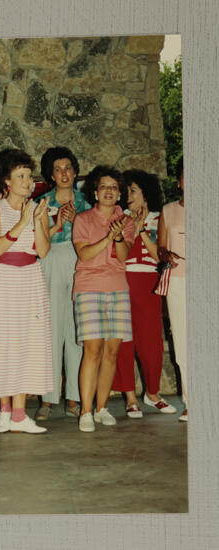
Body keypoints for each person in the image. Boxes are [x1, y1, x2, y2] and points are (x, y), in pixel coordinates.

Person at [0, 149, 53, 434]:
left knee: (26, 344)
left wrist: (38, 220)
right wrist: (23, 221)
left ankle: (18, 412)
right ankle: (6, 410)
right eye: (20, 176)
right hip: (3, 279)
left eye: (29, 176)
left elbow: (43, 251)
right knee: (3, 344)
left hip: (30, 278)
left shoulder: (38, 208)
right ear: (7, 181)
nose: (27, 181)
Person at [72, 165, 135, 432]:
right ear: (95, 192)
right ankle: (85, 412)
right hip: (88, 287)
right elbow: (84, 255)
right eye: (103, 187)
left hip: (118, 288)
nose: (108, 191)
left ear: (119, 193)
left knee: (112, 351)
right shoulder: (83, 219)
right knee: (93, 349)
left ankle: (101, 408)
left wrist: (118, 236)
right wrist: (108, 236)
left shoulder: (127, 221)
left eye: (113, 187)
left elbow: (123, 256)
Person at [112, 170, 176, 417]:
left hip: (149, 283)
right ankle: (130, 397)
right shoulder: (121, 217)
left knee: (151, 343)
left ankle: (152, 393)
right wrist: (130, 228)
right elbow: (121, 255)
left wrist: (140, 231)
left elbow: (160, 255)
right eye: (126, 191)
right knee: (124, 341)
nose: (128, 196)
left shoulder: (160, 218)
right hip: (123, 280)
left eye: (133, 191)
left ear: (146, 193)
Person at [35, 147, 91, 421]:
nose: (64, 173)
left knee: (76, 328)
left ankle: (73, 397)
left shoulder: (86, 202)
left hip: (79, 261)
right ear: (51, 175)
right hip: (51, 260)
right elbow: (36, 240)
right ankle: (47, 398)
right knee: (51, 328)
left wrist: (77, 221)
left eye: (68, 167)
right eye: (58, 169)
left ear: (75, 171)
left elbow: (94, 235)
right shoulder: (41, 202)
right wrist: (56, 222)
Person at [158, 156, 187, 421]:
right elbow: (161, 247)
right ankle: (191, 402)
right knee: (182, 341)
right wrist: (166, 254)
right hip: (178, 280)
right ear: (179, 182)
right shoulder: (167, 210)